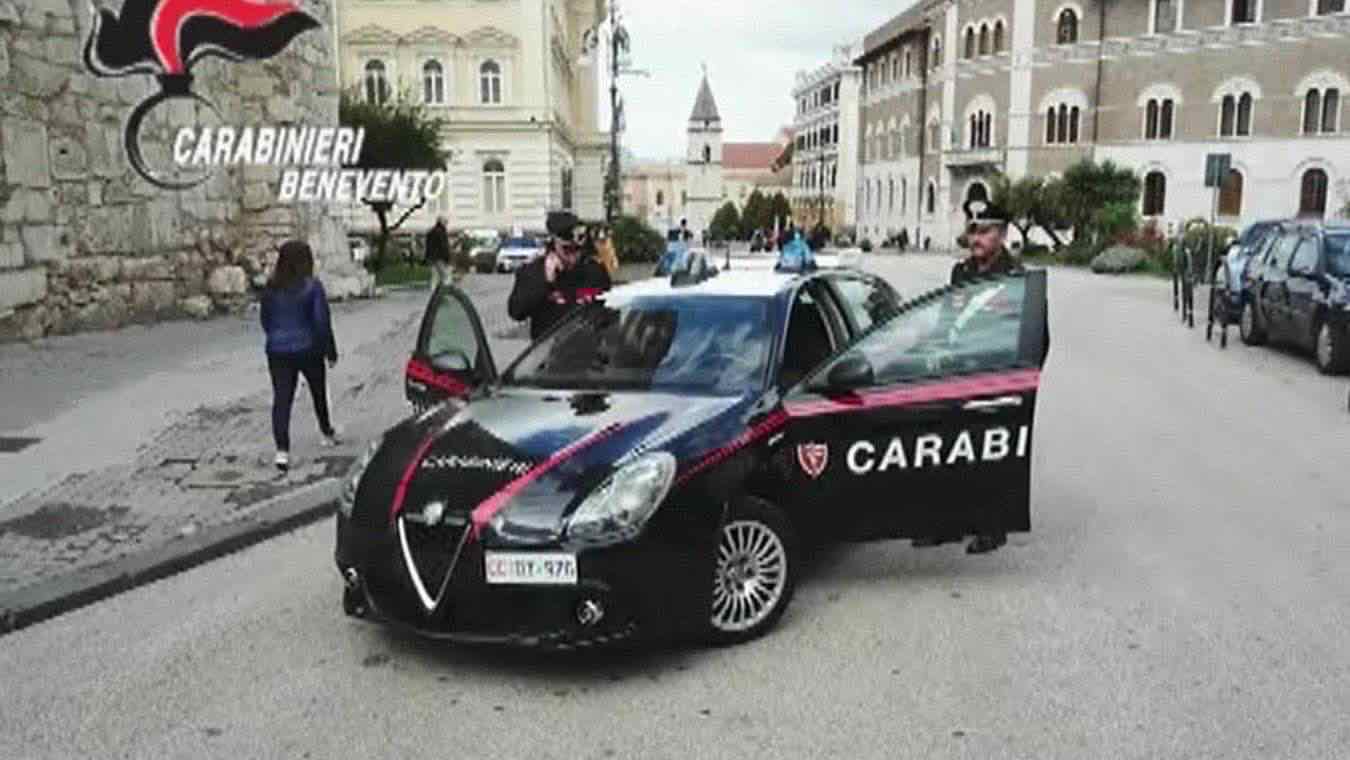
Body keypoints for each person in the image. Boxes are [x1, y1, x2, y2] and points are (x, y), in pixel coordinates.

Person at [260, 240, 340, 472]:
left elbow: (265, 319)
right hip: (309, 348)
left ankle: (282, 451)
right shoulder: (312, 287)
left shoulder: (271, 287)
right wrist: (330, 350)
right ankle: (326, 432)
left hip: (277, 350)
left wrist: (275, 336)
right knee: (318, 391)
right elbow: (321, 321)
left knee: (282, 398)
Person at [508, 210, 612, 341]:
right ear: (553, 245)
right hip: (549, 355)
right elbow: (516, 312)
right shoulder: (534, 272)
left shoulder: (594, 271)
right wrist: (546, 282)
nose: (573, 257)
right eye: (567, 250)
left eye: (577, 249)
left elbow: (609, 312)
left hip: (587, 354)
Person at [425, 215, 452, 291]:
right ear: (441, 222)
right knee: (446, 275)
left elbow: (428, 246)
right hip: (440, 257)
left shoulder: (430, 232)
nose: (446, 224)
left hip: (431, 257)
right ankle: (446, 291)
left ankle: (433, 291)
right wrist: (447, 258)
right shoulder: (442, 232)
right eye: (445, 222)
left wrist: (427, 257)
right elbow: (444, 246)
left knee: (434, 276)